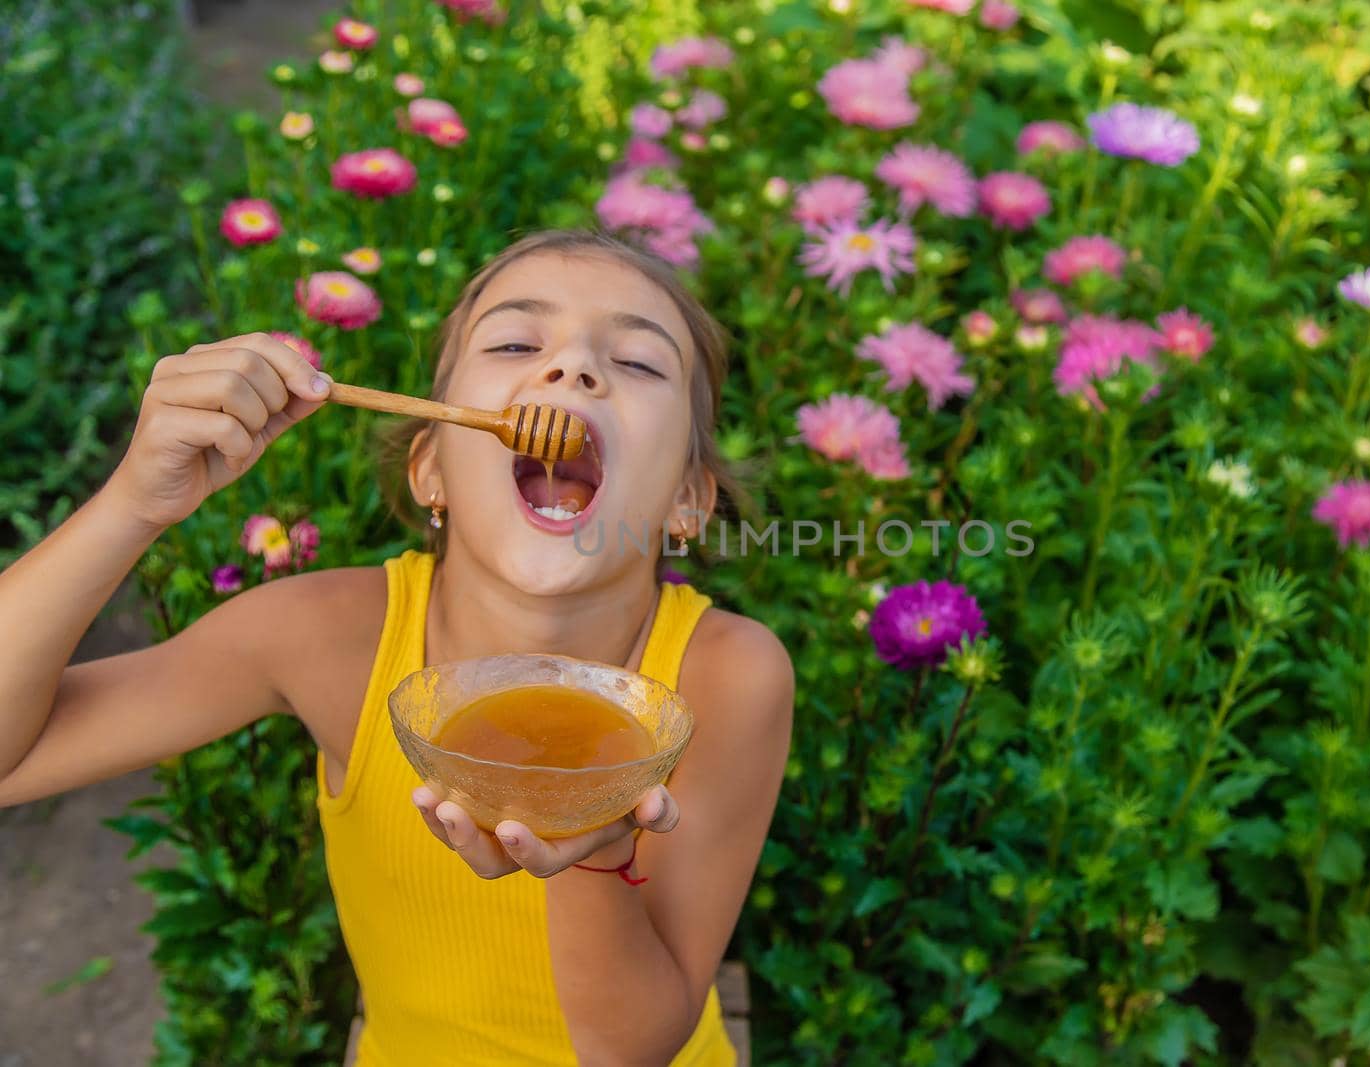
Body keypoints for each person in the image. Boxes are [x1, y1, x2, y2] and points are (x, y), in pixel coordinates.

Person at [0, 229, 794, 1066]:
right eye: (518, 342)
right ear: (432, 472)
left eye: (636, 362)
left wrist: (595, 852)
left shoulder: (728, 674)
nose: (573, 368)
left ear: (687, 502)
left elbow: (630, 1048)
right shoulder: (330, 638)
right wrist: (134, 502)